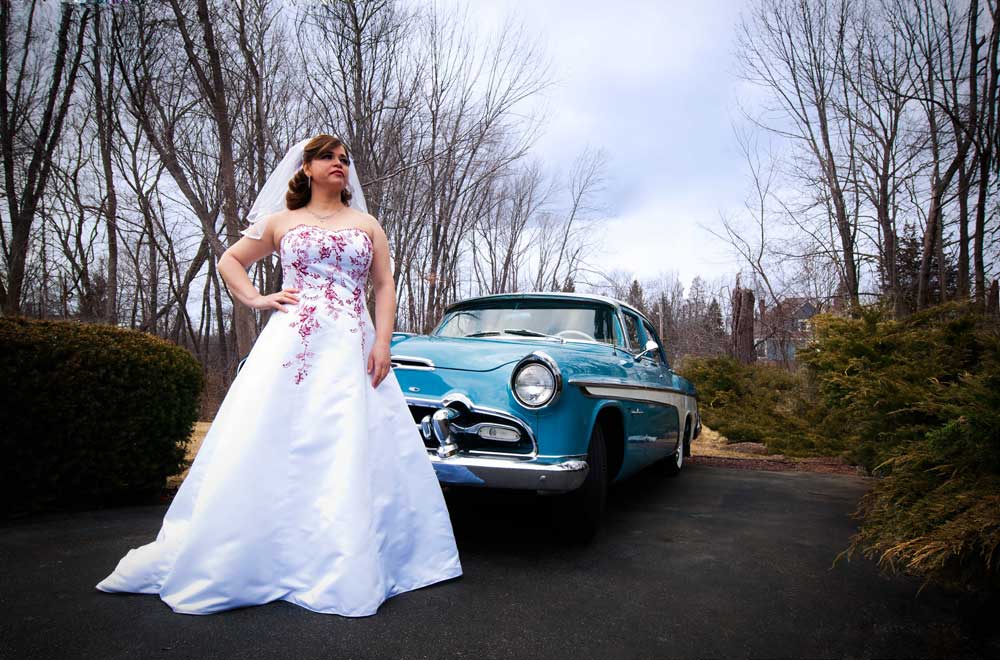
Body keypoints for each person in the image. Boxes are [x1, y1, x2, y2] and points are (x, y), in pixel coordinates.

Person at [95, 134, 463, 616]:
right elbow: (230, 260)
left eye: (344, 160)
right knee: (270, 437)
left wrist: (382, 343)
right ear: (306, 167)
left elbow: (383, 284)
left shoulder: (366, 224)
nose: (339, 164)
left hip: (352, 345)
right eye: (329, 157)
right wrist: (256, 298)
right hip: (291, 345)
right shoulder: (280, 221)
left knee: (348, 440)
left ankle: (346, 558)